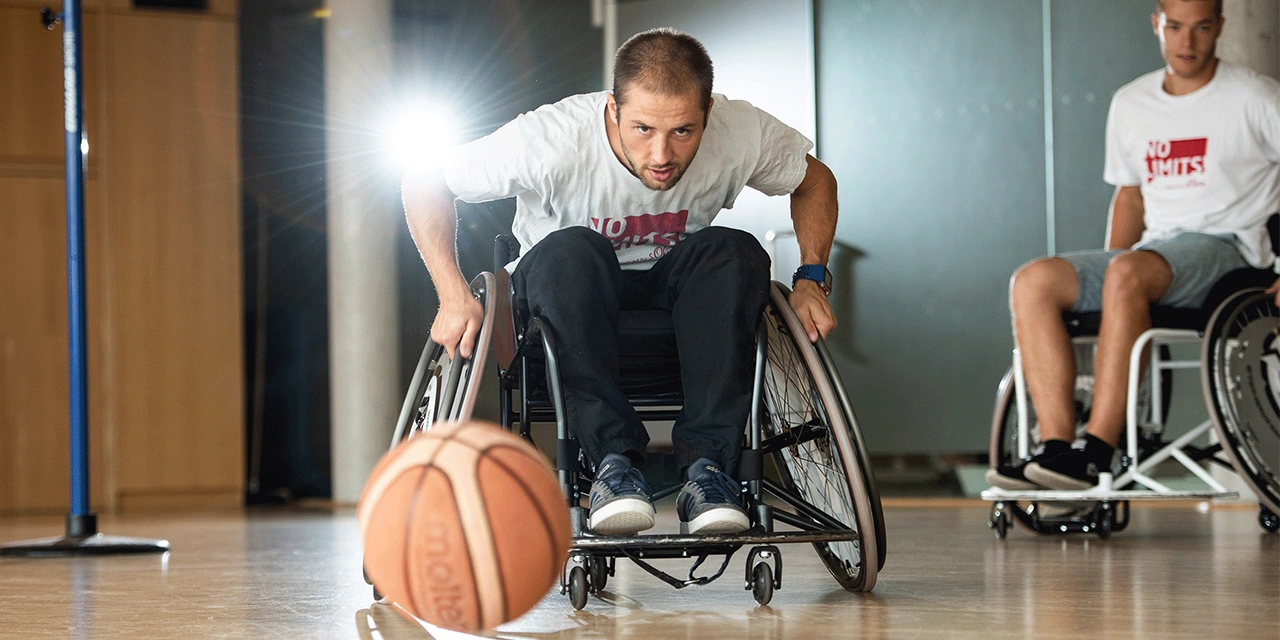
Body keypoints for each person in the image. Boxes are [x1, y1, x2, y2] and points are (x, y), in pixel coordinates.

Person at [402, 28, 840, 535]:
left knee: (735, 249)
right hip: (566, 299)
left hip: (675, 304)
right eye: (642, 129)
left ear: (708, 116)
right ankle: (612, 467)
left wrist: (811, 277)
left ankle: (709, 471)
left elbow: (815, 181)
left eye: (683, 131)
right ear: (611, 110)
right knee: (574, 249)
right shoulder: (551, 138)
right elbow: (425, 181)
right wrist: (452, 292)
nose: (661, 154)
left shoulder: (741, 132)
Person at [990, 0, 1280, 491]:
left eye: (1202, 28)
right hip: (1156, 253)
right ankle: (1056, 450)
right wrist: (1112, 280)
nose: (1187, 42)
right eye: (1176, 27)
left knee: (1127, 272)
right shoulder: (1131, 102)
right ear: (1157, 25)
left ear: (1220, 29)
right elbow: (1129, 194)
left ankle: (1098, 451)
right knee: (1032, 281)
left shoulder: (1255, 96)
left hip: (1229, 250)